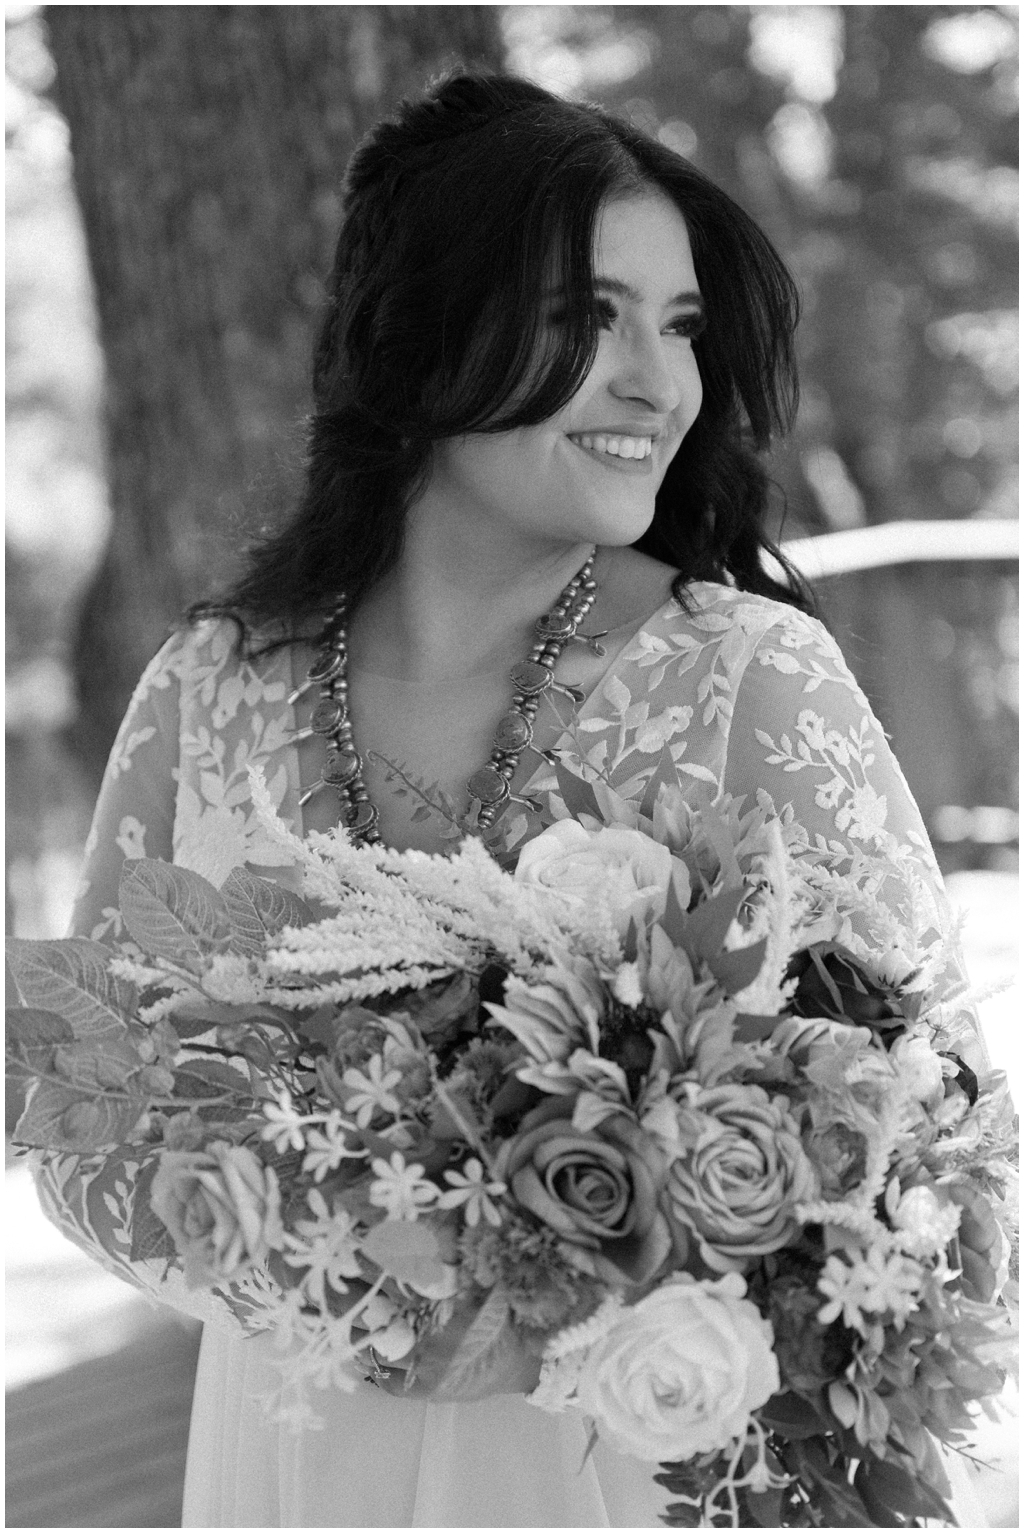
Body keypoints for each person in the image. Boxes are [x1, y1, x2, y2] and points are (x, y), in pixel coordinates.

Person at [36, 72, 984, 1528]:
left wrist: (646, 1243)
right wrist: (304, 1257)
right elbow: (70, 1098)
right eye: (585, 319)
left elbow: (956, 1154)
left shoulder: (748, 682)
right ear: (420, 332)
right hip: (296, 1448)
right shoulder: (207, 688)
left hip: (622, 1473)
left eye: (677, 329)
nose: (657, 383)